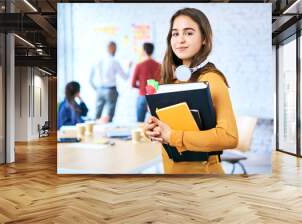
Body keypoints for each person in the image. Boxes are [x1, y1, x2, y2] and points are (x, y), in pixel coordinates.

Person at [144, 8, 239, 174]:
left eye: (188, 33)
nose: (180, 40)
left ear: (204, 38)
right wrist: (152, 130)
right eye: (175, 34)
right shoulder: (170, 81)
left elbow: (230, 138)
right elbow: (165, 129)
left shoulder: (212, 80)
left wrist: (173, 136)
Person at [90, 41, 130, 123]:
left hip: (100, 90)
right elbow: (125, 77)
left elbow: (90, 79)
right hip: (111, 91)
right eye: (115, 48)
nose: (116, 50)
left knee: (97, 116)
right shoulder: (114, 61)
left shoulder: (98, 60)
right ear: (112, 48)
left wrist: (97, 89)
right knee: (109, 117)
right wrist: (129, 67)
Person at [131, 42, 161, 122]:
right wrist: (151, 87)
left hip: (142, 96)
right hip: (154, 97)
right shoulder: (159, 65)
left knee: (139, 123)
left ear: (144, 51)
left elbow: (133, 84)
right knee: (155, 123)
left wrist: (142, 87)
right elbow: (160, 83)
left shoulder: (139, 65)